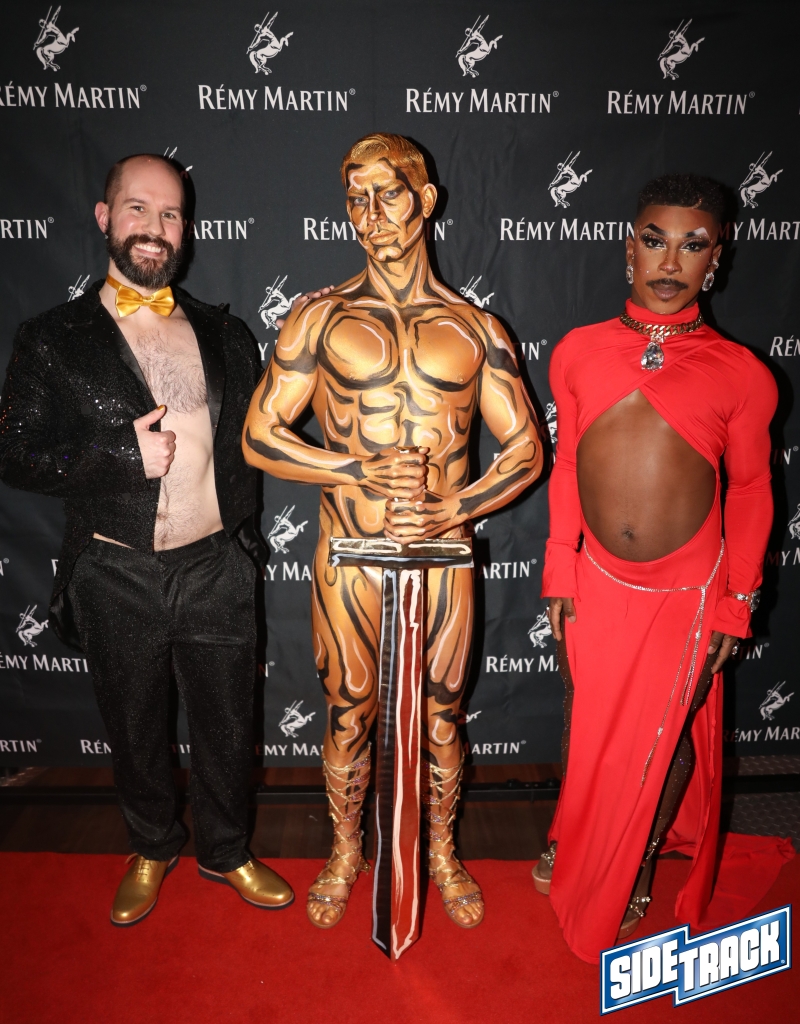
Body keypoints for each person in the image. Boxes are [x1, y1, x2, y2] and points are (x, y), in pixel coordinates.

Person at [242, 133, 543, 930]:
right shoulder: (319, 318)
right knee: (348, 709)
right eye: (356, 198)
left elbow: (525, 449)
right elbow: (258, 435)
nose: (371, 214)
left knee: (443, 714)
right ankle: (346, 852)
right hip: (350, 554)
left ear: (427, 201)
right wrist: (354, 469)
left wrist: (458, 507)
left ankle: (441, 852)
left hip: (443, 554)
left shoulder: (477, 328)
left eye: (389, 194)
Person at [0, 154, 294, 925]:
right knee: (134, 726)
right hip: (114, 568)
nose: (154, 228)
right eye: (138, 208)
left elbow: (265, 433)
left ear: (185, 230)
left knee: (228, 725)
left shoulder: (225, 332)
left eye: (170, 214)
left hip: (217, 564)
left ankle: (226, 850)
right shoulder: (53, 337)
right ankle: (152, 845)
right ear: (105, 218)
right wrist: (115, 455)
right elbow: (13, 451)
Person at [537, 174, 779, 963]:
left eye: (692, 245)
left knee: (667, 737)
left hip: (688, 592)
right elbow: (567, 464)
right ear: (628, 248)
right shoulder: (576, 351)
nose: (670, 261)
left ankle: (638, 857)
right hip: (597, 580)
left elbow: (750, 491)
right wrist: (560, 566)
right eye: (655, 240)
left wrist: (737, 602)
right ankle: (571, 833)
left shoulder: (742, 373)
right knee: (583, 717)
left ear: (717, 259)